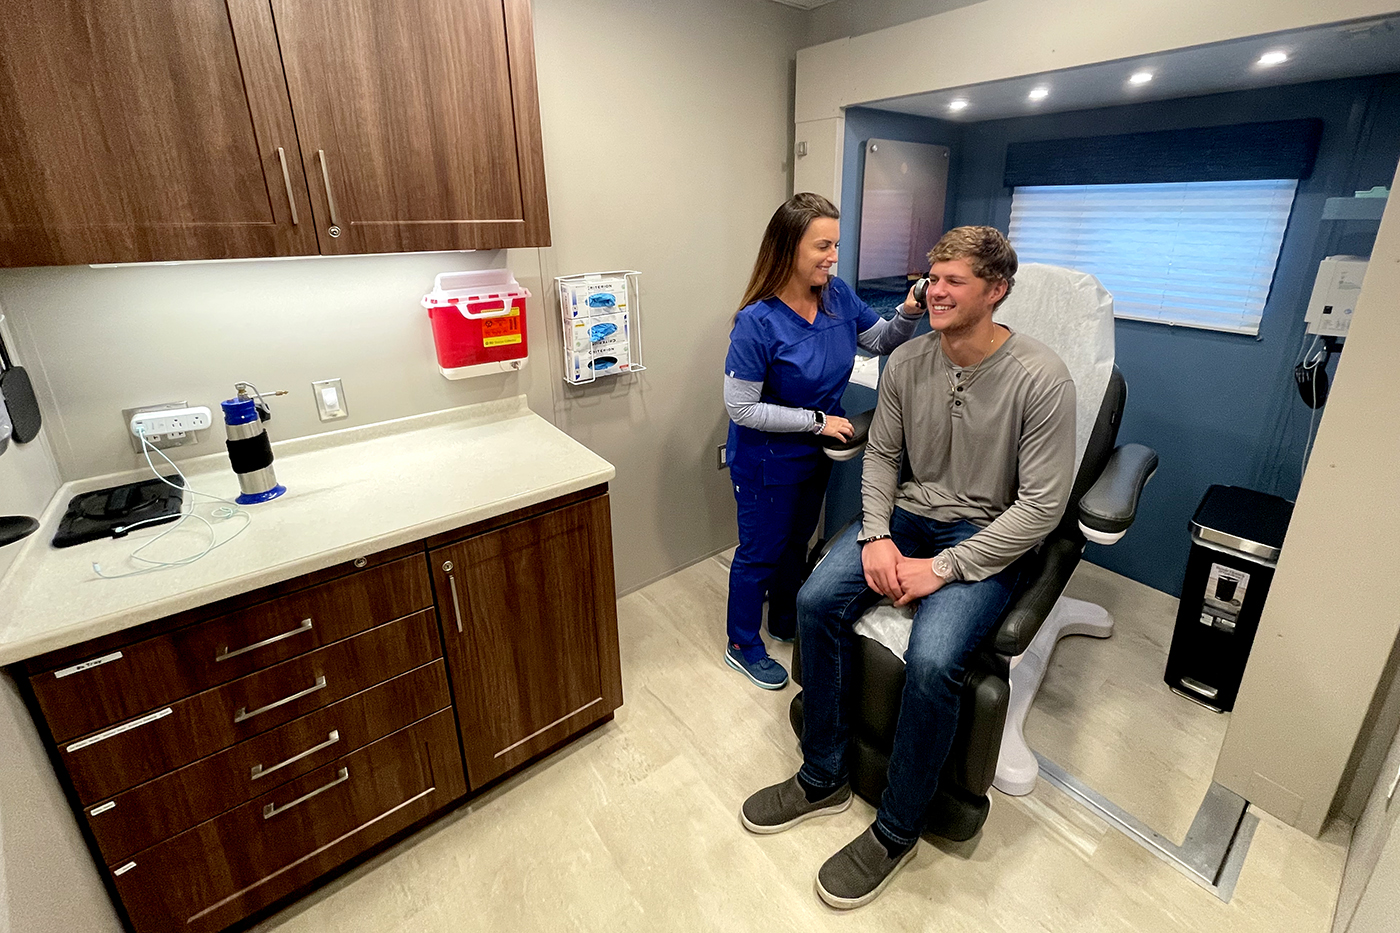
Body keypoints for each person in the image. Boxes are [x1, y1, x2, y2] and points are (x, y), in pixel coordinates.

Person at [740, 226, 1076, 908]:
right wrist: (875, 535)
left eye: (955, 280)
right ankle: (823, 773)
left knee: (931, 660)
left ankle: (896, 829)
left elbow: (1040, 508)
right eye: (934, 277)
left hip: (987, 534)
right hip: (909, 516)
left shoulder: (1041, 377)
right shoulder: (911, 362)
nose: (936, 291)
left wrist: (943, 569)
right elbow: (884, 458)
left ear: (996, 289)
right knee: (813, 599)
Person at [723, 192, 923, 690]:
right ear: (789, 247)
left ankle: (785, 619)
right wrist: (817, 422)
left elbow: (878, 341)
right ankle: (742, 643)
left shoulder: (838, 297)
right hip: (765, 458)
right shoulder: (757, 322)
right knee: (760, 551)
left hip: (814, 456)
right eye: (823, 246)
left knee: (796, 542)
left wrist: (910, 310)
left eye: (835, 244)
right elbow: (741, 408)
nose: (833, 256)